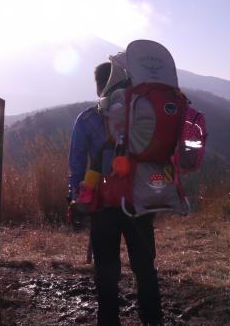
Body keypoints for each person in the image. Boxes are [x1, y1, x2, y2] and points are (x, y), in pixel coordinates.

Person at [68, 62, 163, 326]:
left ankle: (108, 320)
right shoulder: (142, 117)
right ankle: (152, 320)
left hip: (103, 205)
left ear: (99, 86)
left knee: (106, 270)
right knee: (144, 267)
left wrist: (75, 198)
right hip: (138, 202)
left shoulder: (87, 119)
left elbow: (76, 164)